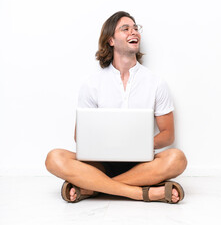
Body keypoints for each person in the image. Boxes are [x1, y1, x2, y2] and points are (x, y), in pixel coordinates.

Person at [45, 11, 187, 204]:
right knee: (54, 158)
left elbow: (168, 134)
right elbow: (80, 137)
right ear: (110, 40)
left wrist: (138, 145)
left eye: (136, 28)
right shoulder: (92, 84)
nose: (134, 32)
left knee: (177, 158)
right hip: (99, 164)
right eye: (125, 28)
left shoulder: (156, 83)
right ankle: (141, 193)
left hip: (142, 164)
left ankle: (91, 188)